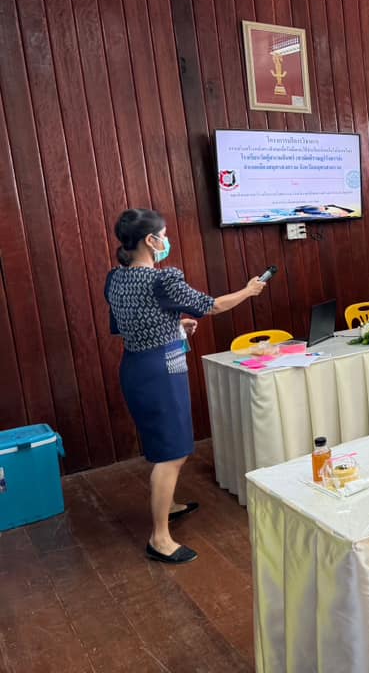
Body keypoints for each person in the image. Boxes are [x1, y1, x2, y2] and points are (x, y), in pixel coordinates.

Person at [105, 209, 266, 564]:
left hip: (136, 367)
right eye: (163, 234)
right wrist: (249, 290)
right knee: (172, 453)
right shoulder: (163, 279)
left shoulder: (115, 279)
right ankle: (159, 537)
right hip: (162, 370)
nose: (166, 240)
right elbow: (213, 305)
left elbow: (126, 326)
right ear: (150, 241)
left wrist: (176, 327)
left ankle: (169, 505)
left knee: (164, 445)